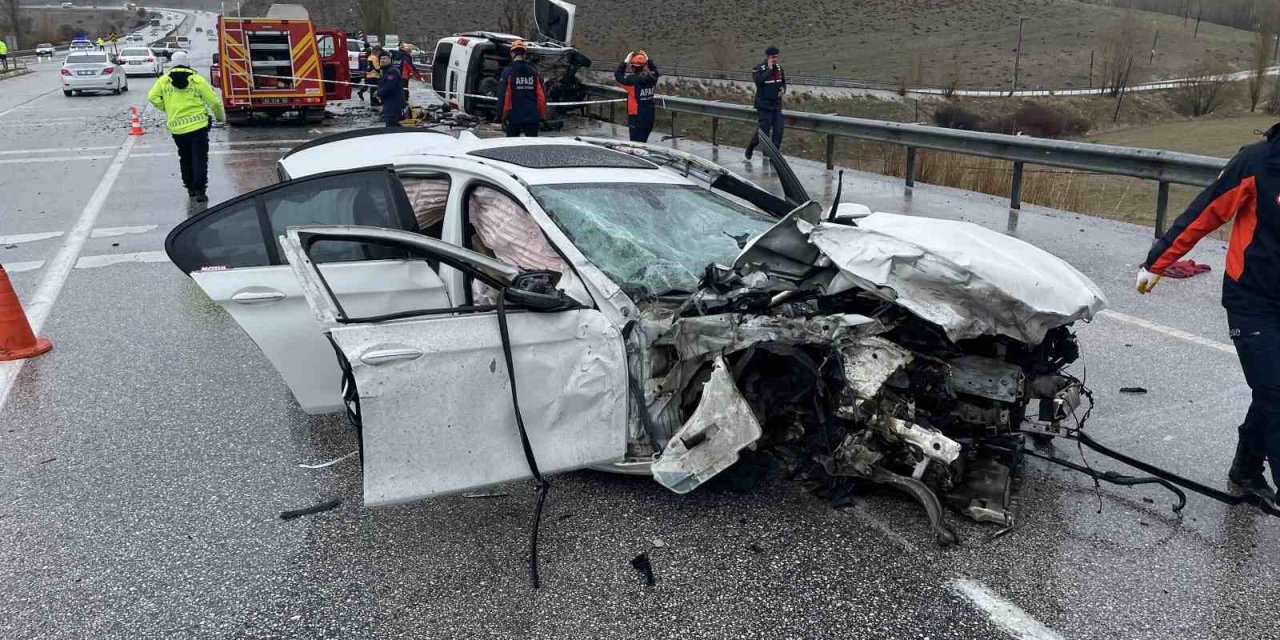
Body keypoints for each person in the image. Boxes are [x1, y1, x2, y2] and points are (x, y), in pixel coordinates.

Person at [1138, 124, 1280, 505]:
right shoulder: (1257, 162)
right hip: (1252, 300)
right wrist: (1157, 262)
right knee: (1276, 393)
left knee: (1272, 388)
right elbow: (1204, 213)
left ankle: (1246, 468)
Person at [146, 51, 224, 203]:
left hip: (177, 128)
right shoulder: (196, 79)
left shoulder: (164, 81)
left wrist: (167, 108)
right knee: (200, 158)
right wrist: (220, 118)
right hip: (198, 126)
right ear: (187, 62)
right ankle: (200, 190)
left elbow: (152, 97)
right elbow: (214, 102)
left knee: (185, 157)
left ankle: (190, 188)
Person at [495, 40, 546, 137]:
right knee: (532, 145)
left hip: (513, 117)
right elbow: (541, 97)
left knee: (511, 145)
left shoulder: (508, 72)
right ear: (525, 54)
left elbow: (503, 96)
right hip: (532, 117)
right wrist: (542, 116)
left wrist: (500, 116)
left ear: (511, 53)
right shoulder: (533, 72)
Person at [744, 45, 786, 160]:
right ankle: (751, 146)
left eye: (776, 57)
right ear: (768, 57)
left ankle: (775, 157)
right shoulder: (758, 68)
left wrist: (783, 89)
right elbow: (758, 81)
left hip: (776, 105)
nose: (775, 59)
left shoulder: (779, 68)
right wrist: (769, 70)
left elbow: (783, 82)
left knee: (779, 131)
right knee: (764, 131)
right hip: (764, 105)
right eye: (773, 57)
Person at [615, 50, 659, 143]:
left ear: (633, 67)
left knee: (635, 142)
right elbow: (656, 72)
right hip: (650, 115)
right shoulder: (652, 78)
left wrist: (625, 61)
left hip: (636, 116)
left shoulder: (632, 80)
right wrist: (648, 60)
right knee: (644, 141)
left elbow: (618, 76)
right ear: (645, 66)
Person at [376, 54, 404, 127]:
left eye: (384, 58)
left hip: (393, 104)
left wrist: (378, 93)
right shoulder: (386, 71)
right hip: (389, 102)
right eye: (381, 59)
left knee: (391, 126)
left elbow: (390, 86)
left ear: (390, 60)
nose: (382, 60)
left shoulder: (392, 71)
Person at [393, 42, 422, 109]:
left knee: (396, 92)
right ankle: (403, 107)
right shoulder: (406, 57)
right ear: (407, 51)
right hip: (403, 77)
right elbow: (411, 68)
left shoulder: (395, 56)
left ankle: (396, 105)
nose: (410, 53)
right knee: (404, 92)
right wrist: (419, 77)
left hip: (394, 77)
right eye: (410, 52)